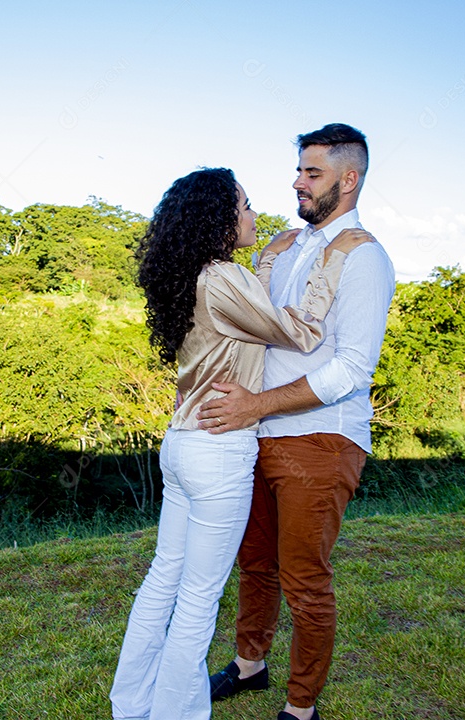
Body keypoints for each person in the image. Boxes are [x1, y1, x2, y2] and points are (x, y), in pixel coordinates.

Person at [109, 167, 374, 720]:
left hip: (183, 441)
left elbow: (251, 312)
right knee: (199, 598)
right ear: (221, 218)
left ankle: (132, 705)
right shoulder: (225, 275)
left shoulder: (190, 273)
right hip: (219, 449)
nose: (257, 214)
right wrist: (333, 258)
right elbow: (300, 332)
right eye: (247, 205)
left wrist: (272, 260)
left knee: (163, 580)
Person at [198, 124, 396, 720]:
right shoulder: (278, 248)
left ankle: (301, 705)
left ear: (348, 178)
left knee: (304, 578)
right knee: (253, 562)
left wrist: (255, 405)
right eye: (299, 170)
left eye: (312, 172)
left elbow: (352, 369)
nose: (297, 182)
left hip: (322, 438)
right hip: (254, 435)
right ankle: (250, 666)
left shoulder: (366, 258)